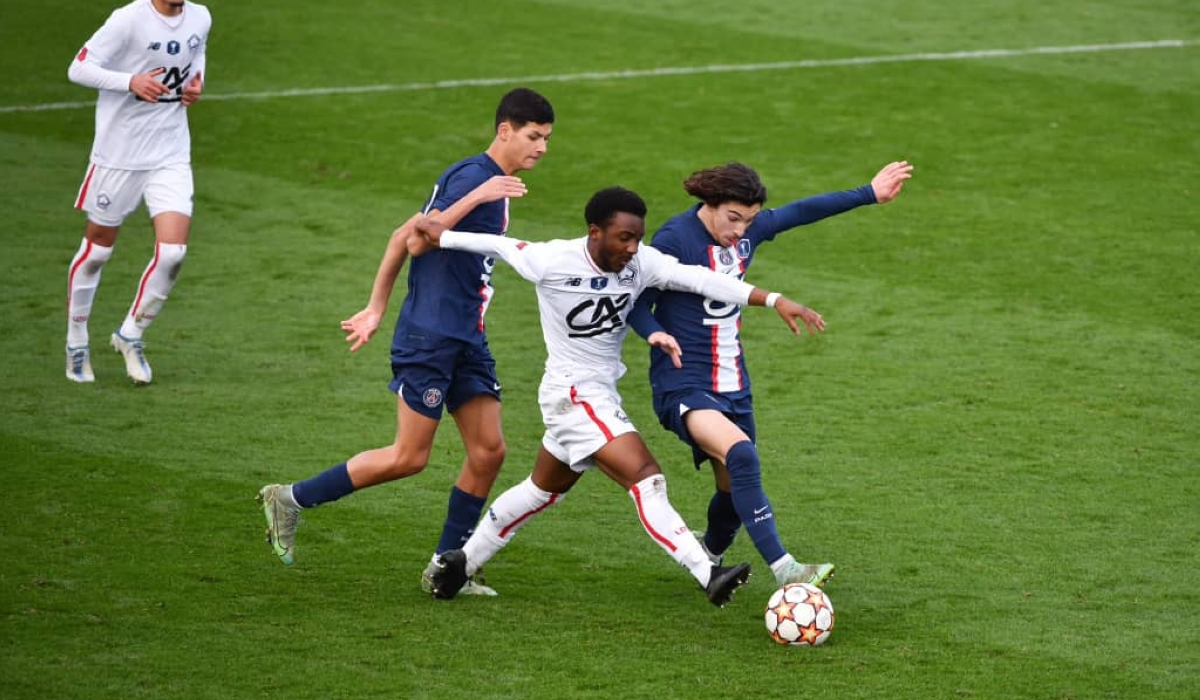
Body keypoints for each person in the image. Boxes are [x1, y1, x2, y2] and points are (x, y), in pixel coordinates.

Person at [412, 186, 827, 607]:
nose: (631, 248)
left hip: (595, 395)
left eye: (637, 238)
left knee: (542, 490)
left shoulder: (642, 262)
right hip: (573, 393)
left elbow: (702, 279)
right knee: (646, 476)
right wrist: (440, 234)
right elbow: (497, 244)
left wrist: (772, 299)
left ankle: (457, 566)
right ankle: (709, 574)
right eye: (623, 238)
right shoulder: (552, 259)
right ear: (595, 232)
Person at [256, 88, 554, 597]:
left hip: (466, 337)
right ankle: (290, 498)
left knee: (488, 452)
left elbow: (402, 237)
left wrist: (374, 307)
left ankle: (446, 568)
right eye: (534, 136)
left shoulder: (494, 182)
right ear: (505, 130)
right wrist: (479, 197)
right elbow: (417, 236)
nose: (542, 147)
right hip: (431, 337)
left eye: (547, 139)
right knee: (409, 457)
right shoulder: (474, 179)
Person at [627, 160, 914, 588]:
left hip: (734, 384)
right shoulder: (674, 239)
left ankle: (709, 554)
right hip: (683, 382)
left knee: (732, 483)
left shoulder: (744, 235)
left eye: (750, 220)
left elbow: (800, 212)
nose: (741, 230)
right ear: (710, 203)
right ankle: (786, 569)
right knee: (742, 455)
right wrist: (654, 336)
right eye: (733, 218)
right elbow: (636, 303)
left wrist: (868, 192)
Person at [64, 0, 212, 384]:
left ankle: (131, 334)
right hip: (119, 154)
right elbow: (78, 67)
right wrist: (129, 81)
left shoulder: (200, 16)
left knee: (173, 253)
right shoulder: (128, 19)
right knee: (97, 251)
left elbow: (197, 55)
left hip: (170, 152)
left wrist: (197, 83)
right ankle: (76, 339)